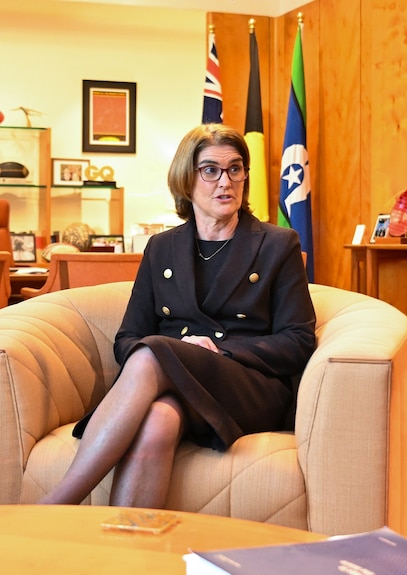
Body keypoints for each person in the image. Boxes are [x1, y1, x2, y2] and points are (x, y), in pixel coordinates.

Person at [41, 124, 316, 508]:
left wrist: (219, 355)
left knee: (153, 353)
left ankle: (54, 507)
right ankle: (127, 557)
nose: (226, 181)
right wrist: (179, 353)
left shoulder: (277, 244)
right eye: (211, 170)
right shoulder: (162, 248)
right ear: (186, 181)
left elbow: (299, 340)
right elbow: (127, 338)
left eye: (235, 169)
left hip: (247, 386)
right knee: (158, 419)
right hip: (177, 387)